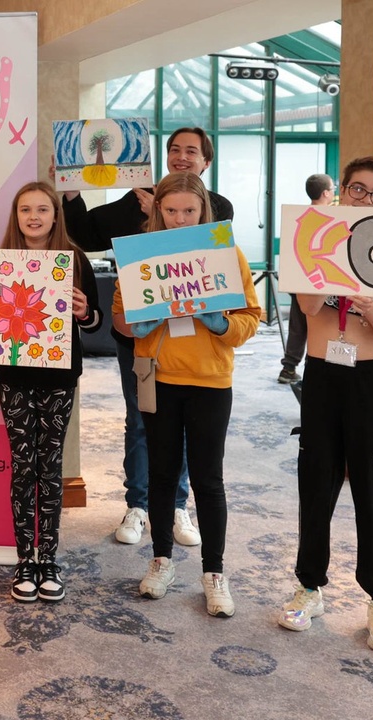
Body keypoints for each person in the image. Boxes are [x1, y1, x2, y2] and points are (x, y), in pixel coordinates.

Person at [61, 126, 235, 550]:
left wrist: (160, 214)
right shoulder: (135, 198)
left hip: (197, 346)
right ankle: (138, 505)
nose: (181, 157)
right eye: (174, 149)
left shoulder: (217, 208)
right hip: (141, 341)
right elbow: (85, 234)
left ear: (205, 162)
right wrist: (69, 190)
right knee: (141, 422)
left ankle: (177, 506)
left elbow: (205, 259)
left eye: (191, 151)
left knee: (190, 430)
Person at [112, 172, 259, 616]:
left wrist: (221, 323)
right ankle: (161, 561)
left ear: (203, 212)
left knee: (208, 479)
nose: (179, 219)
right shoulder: (139, 258)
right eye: (171, 210)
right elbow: (120, 319)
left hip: (211, 380)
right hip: (158, 378)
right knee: (161, 473)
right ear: (158, 210)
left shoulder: (226, 256)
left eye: (188, 211)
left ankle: (214, 572)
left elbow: (251, 317)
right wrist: (138, 324)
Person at [277, 156, 373, 653]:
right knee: (317, 480)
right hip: (324, 374)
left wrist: (371, 299)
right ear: (342, 192)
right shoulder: (314, 240)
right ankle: (309, 587)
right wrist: (329, 265)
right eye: (359, 190)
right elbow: (309, 309)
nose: (367, 200)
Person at [0, 181, 101, 603]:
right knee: (22, 465)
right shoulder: (4, 263)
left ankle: (48, 558)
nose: (34, 216)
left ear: (54, 215)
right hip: (14, 376)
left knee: (49, 467)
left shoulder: (74, 259)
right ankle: (23, 559)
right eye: (25, 209)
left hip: (59, 377)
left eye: (42, 209)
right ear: (17, 216)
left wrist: (85, 313)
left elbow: (94, 320)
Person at [278, 174, 334, 385]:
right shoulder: (335, 218)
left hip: (299, 278)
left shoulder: (299, 217)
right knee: (321, 326)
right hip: (324, 281)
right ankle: (314, 364)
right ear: (326, 193)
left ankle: (288, 367)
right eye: (333, 188)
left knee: (298, 327)